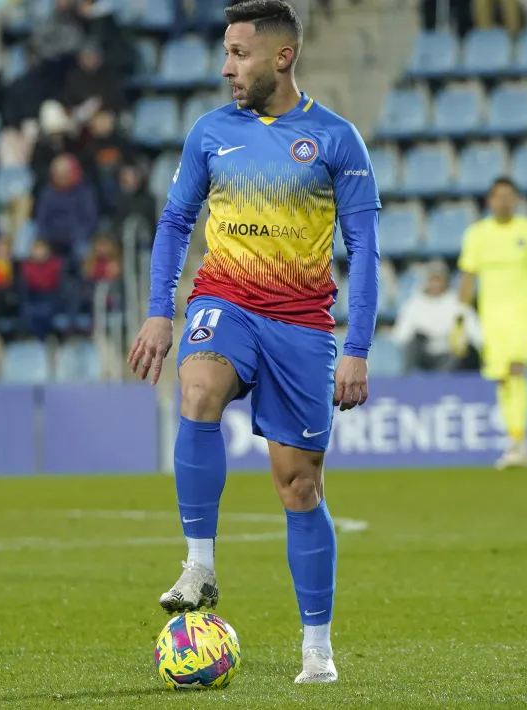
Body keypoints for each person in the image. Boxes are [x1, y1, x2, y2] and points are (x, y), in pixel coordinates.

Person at [127, 0, 381, 685]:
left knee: (298, 486)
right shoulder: (211, 133)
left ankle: (317, 649)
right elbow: (175, 224)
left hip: (301, 325)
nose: (226, 66)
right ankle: (200, 563)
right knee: (199, 386)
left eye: (238, 53)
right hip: (225, 300)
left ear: (282, 56)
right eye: (226, 53)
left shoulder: (336, 140)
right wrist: (160, 312)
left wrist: (356, 347)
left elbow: (366, 252)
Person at [450, 177, 527, 470]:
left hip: (525, 312)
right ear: (489, 201)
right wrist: (460, 319)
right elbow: (467, 277)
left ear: (517, 200)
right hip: (492, 316)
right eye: (498, 196)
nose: (503, 202)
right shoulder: (477, 235)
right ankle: (516, 439)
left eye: (509, 196)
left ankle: (517, 441)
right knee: (502, 378)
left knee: (516, 369)